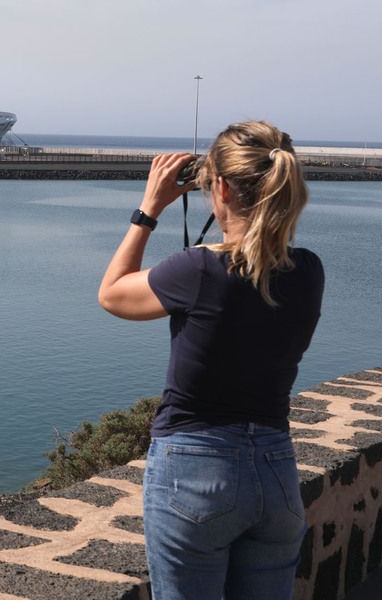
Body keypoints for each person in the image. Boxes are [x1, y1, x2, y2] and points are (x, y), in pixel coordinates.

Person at [97, 121, 324, 600]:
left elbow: (113, 295)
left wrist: (148, 210)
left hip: (195, 468)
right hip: (276, 470)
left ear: (219, 186)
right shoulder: (308, 271)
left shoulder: (199, 268)